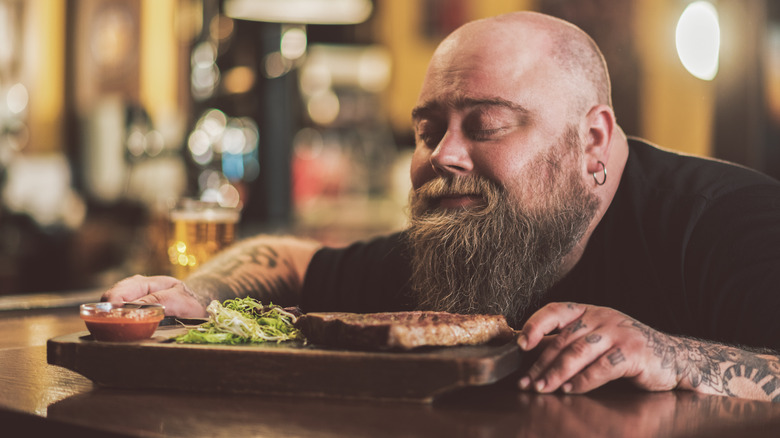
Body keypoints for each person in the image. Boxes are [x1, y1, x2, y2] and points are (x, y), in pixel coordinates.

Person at [104, 12, 780, 402]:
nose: (443, 156)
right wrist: (198, 291)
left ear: (593, 140)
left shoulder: (731, 223)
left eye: (485, 125)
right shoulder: (470, 236)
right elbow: (287, 259)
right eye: (427, 131)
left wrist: (678, 357)